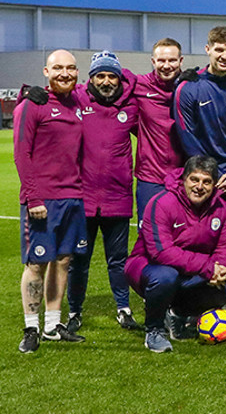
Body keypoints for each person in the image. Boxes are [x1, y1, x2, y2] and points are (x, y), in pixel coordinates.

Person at [174, 25, 226, 330]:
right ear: (207, 49)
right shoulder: (189, 87)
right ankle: (190, 306)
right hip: (203, 180)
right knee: (196, 243)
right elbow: (188, 135)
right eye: (219, 49)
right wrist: (213, 176)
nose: (225, 55)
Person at [14, 49, 87, 352]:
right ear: (46, 71)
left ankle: (53, 326)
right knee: (37, 264)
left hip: (73, 196)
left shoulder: (79, 102)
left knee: (63, 261)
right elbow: (21, 152)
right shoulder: (32, 105)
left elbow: (111, 83)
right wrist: (33, 197)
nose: (65, 73)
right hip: (43, 200)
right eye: (57, 68)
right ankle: (31, 329)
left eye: (70, 68)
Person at [124, 156, 226, 353]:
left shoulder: (221, 208)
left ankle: (177, 315)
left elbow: (225, 246)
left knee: (225, 289)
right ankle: (154, 331)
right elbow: (162, 252)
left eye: (206, 182)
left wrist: (220, 268)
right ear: (184, 179)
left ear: (214, 185)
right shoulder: (162, 203)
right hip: (147, 267)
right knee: (166, 277)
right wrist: (208, 268)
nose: (199, 186)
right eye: (194, 179)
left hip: (189, 270)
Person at [68, 52, 141, 333]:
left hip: (117, 198)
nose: (107, 81)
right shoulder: (77, 99)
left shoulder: (130, 106)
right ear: (91, 78)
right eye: (101, 75)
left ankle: (123, 309)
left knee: (118, 259)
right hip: (82, 199)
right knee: (79, 261)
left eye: (112, 75)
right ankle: (74, 311)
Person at [133, 38, 187, 215]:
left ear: (180, 61)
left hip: (183, 177)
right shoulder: (139, 85)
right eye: (161, 60)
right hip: (150, 179)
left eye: (172, 60)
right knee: (148, 236)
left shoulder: (191, 88)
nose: (166, 65)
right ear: (153, 61)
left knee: (182, 236)